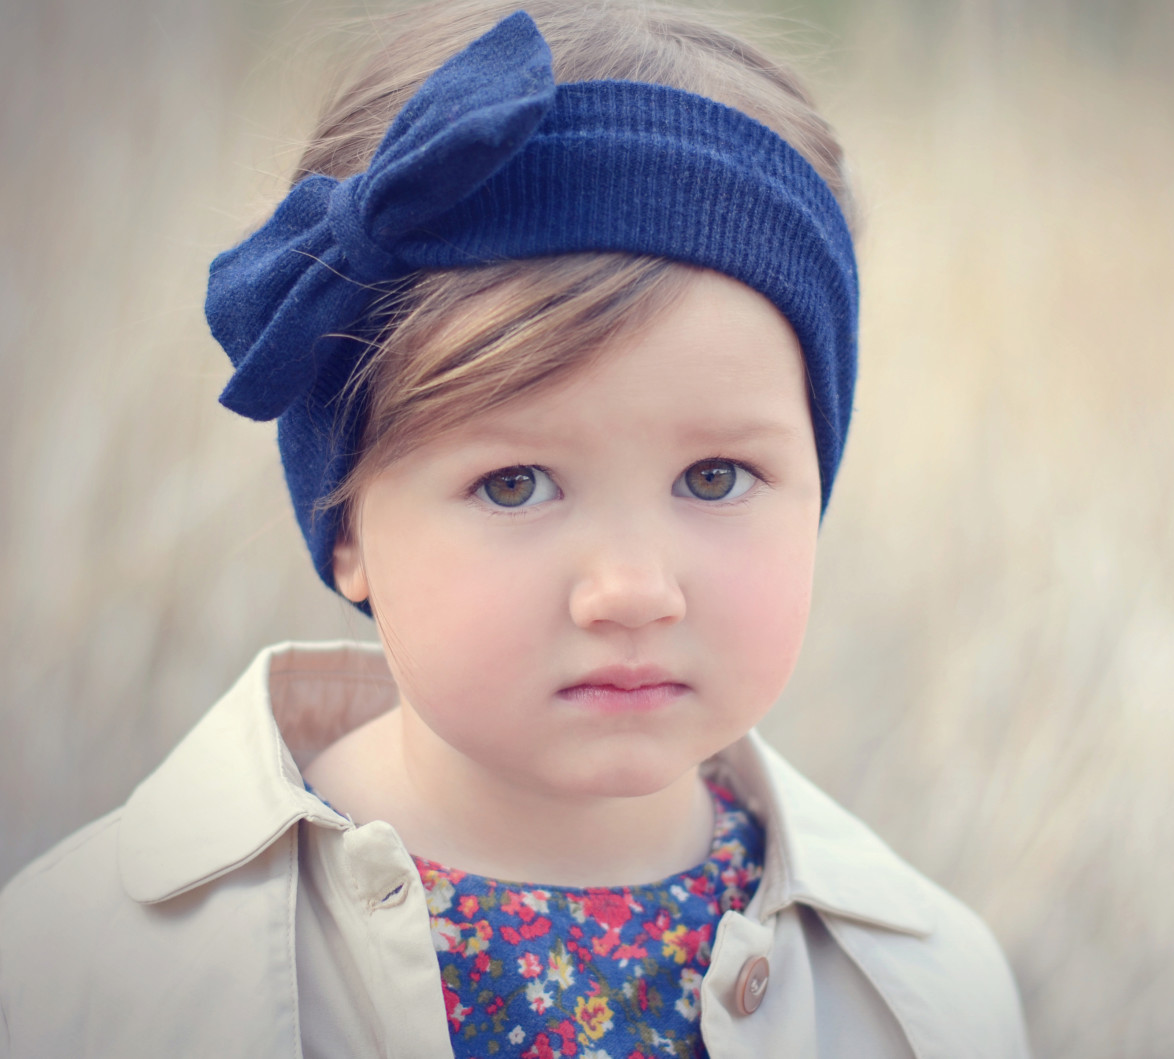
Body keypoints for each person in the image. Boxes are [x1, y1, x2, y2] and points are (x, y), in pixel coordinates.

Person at [0, 2, 1030, 1056]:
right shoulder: (86, 974)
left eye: (714, 476)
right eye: (515, 485)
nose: (632, 589)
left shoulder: (923, 995)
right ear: (346, 520)